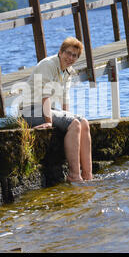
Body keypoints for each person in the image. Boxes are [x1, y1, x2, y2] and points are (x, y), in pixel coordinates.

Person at [20, 37, 92, 182]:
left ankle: (88, 175)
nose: (70, 58)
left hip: (46, 109)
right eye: (68, 53)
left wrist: (69, 116)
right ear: (60, 52)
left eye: (75, 56)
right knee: (75, 124)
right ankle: (74, 175)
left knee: (83, 122)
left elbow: (65, 99)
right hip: (31, 111)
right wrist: (48, 121)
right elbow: (45, 94)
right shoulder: (48, 65)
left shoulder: (68, 72)